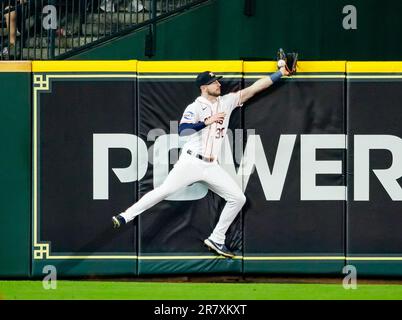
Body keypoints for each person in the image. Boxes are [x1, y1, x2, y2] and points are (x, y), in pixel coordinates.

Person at [112, 64, 290, 258]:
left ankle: (217, 238)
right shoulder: (195, 107)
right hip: (191, 162)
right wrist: (207, 121)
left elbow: (255, 88)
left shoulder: (227, 102)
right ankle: (125, 216)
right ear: (204, 87)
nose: (218, 84)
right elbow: (183, 131)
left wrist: (280, 73)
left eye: (217, 80)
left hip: (211, 165)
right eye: (213, 82)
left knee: (238, 198)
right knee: (163, 191)